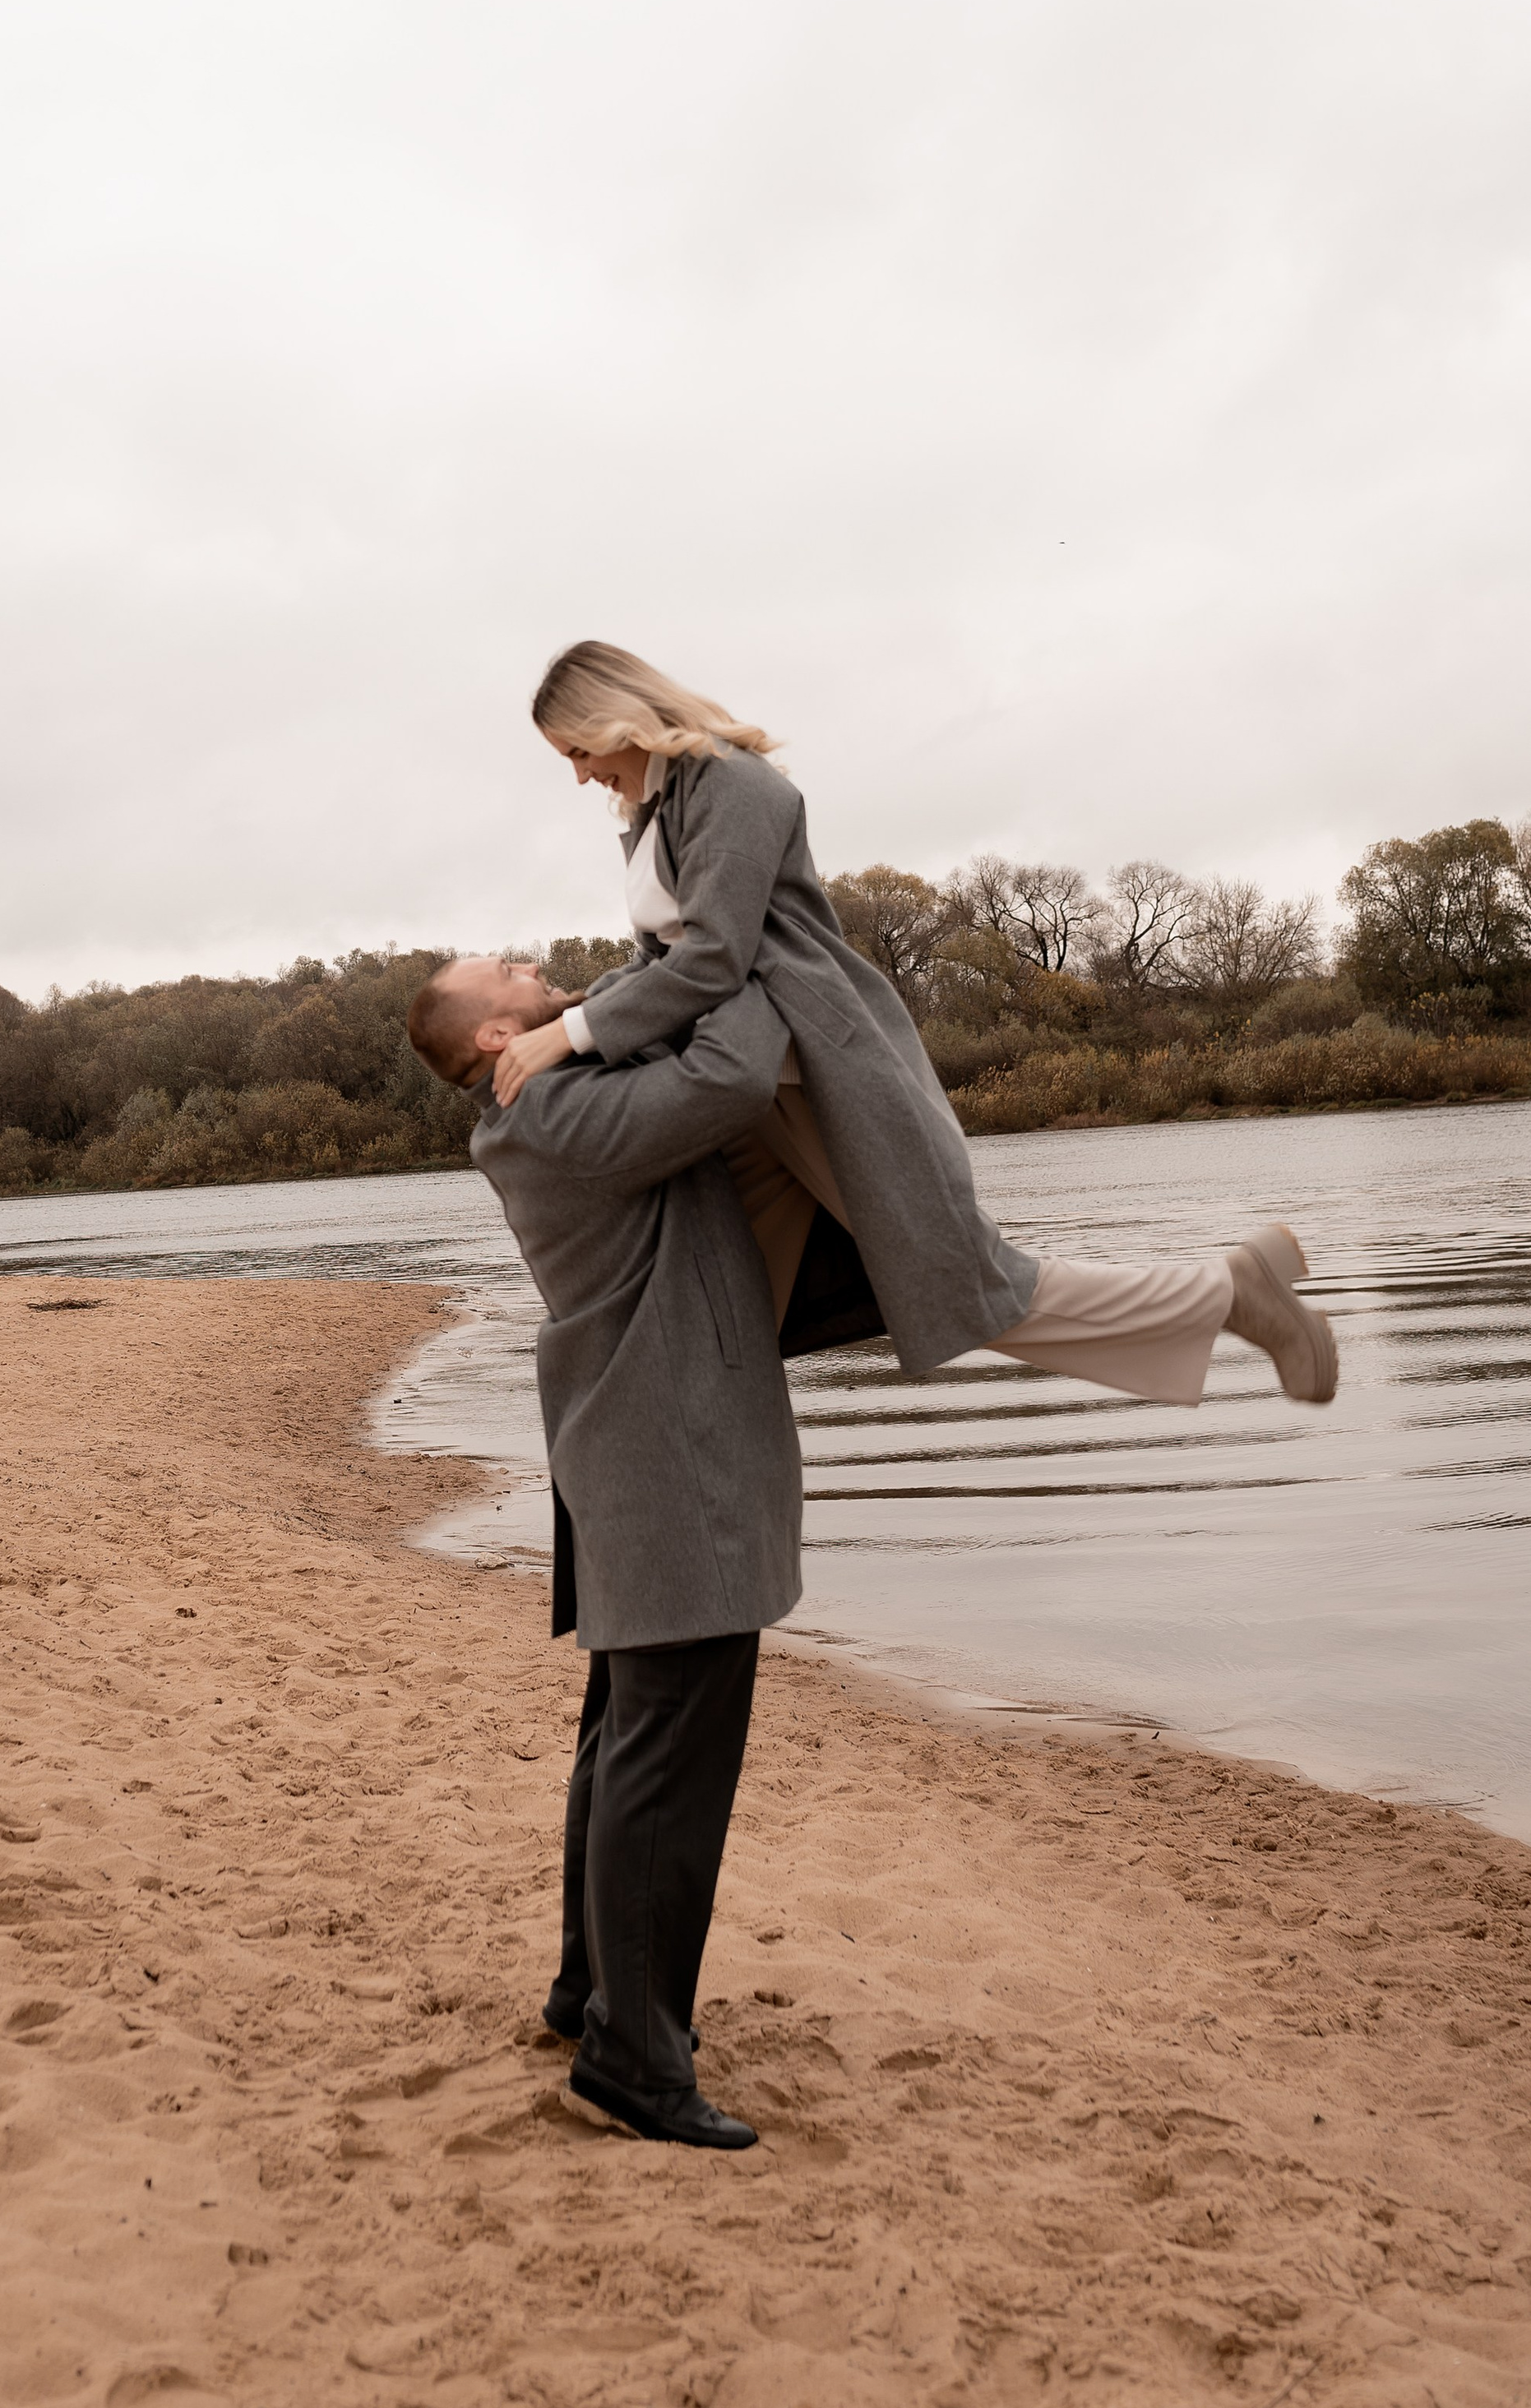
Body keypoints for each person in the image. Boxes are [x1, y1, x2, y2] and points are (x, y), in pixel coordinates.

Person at [493, 640, 1337, 1410]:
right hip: (739, 1073)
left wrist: (570, 1034)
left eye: (575, 750)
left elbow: (714, 955)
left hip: (812, 1067)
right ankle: (686, 1467)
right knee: (741, 1288)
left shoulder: (733, 785)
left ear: (615, 716)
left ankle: (1230, 1293)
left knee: (958, 1282)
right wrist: (567, 1013)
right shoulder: (650, 809)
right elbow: (660, 958)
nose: (577, 775)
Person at [405, 959, 807, 2151]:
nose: (539, 967)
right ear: (491, 1032)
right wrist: (740, 940)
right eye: (513, 974)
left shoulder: (547, 1098)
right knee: (667, 1761)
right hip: (666, 1458)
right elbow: (732, 1073)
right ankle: (633, 2057)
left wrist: (598, 1011)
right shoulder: (562, 1110)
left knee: (625, 1737)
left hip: (633, 1450)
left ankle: (594, 1997)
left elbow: (656, 1016)